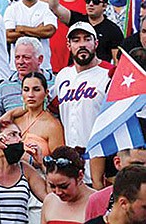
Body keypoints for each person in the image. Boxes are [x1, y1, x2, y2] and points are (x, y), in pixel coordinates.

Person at [54, 22, 112, 184]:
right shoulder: (63, 76)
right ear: (69, 45)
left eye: (87, 39)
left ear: (96, 43)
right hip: (72, 164)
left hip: (101, 161)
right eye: (76, 40)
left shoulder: (109, 74)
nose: (82, 44)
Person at [49, 0, 123, 64]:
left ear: (104, 6)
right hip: (75, 73)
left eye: (95, 2)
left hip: (100, 75)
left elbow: (117, 61)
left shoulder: (113, 30)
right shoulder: (77, 20)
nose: (90, 4)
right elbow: (54, 6)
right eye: (88, 1)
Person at [0, 72, 65, 165]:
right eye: (26, 90)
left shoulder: (52, 125)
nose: (31, 94)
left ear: (46, 93)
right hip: (11, 175)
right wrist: (11, 112)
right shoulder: (15, 119)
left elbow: (58, 164)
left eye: (36, 89)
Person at [0, 37, 56, 121]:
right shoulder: (3, 88)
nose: (20, 62)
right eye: (17, 57)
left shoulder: (56, 84)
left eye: (26, 57)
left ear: (40, 59)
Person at [4, 0, 58, 71]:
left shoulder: (47, 8)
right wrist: (38, 30)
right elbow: (8, 36)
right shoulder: (11, 9)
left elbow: (49, 31)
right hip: (17, 68)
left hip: (43, 66)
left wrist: (21, 29)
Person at [40, 146, 95, 224]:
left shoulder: (97, 201)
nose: (58, 192)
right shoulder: (50, 201)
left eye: (64, 186)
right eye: (52, 186)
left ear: (80, 176)